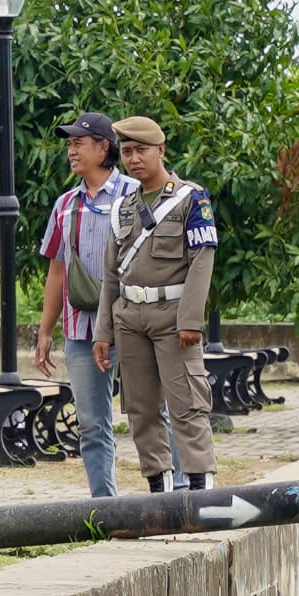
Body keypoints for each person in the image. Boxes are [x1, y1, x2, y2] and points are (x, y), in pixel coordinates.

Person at [100, 116, 216, 489]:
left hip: (173, 316)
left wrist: (191, 320)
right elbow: (111, 273)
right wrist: (104, 331)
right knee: (140, 408)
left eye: (142, 151)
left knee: (187, 404)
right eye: (128, 152)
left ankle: (200, 485)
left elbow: (202, 259)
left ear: (160, 151)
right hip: (130, 317)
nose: (134, 159)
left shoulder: (190, 199)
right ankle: (158, 485)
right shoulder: (123, 208)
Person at [33, 116, 133, 497]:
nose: (72, 150)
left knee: (150, 416)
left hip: (131, 323)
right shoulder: (65, 205)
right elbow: (57, 270)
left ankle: (168, 498)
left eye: (80, 142)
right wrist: (45, 332)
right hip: (79, 329)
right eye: (70, 144)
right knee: (91, 423)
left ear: (103, 147)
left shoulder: (134, 194)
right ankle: (105, 505)